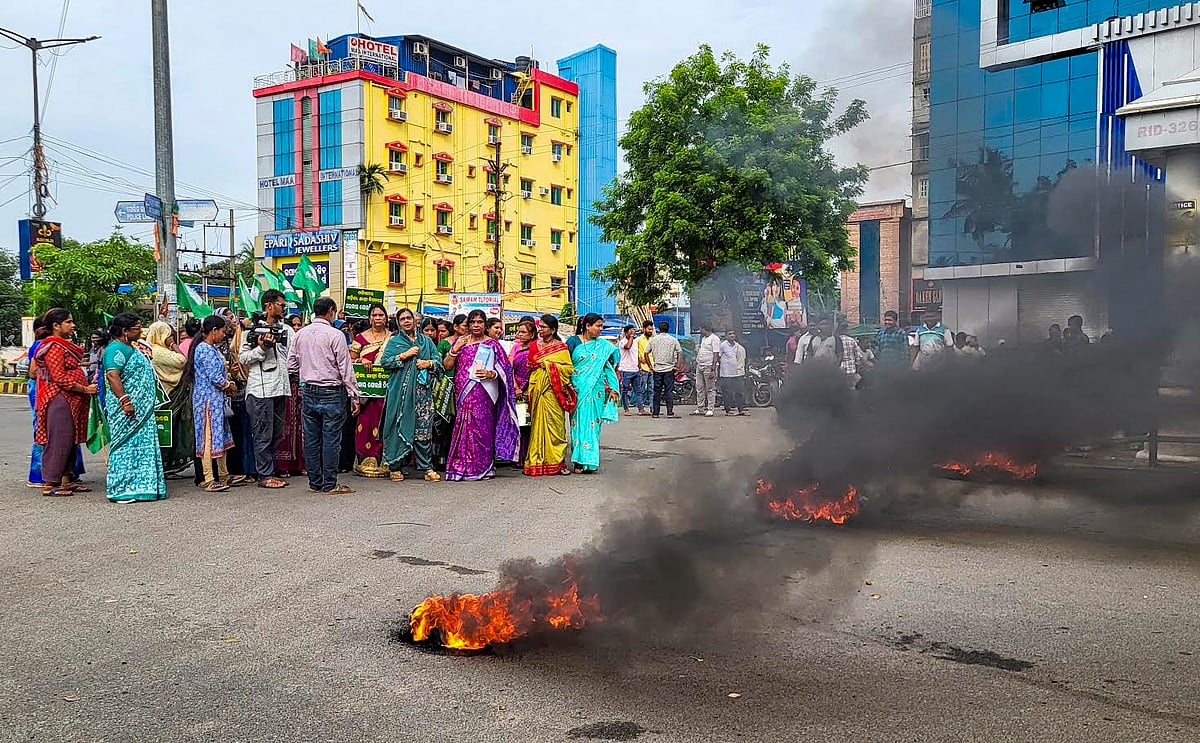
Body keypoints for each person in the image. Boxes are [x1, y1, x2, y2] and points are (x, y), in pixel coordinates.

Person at [287, 297, 363, 494]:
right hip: (332, 391)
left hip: (309, 390)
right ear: (331, 311)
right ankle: (329, 483)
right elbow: (345, 369)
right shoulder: (335, 335)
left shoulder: (300, 334)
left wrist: (307, 372)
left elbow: (291, 365)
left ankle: (315, 482)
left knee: (311, 439)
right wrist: (354, 395)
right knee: (331, 439)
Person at [442, 308, 519, 480]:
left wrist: (492, 374)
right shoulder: (461, 342)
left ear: (485, 325)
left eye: (480, 322)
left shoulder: (493, 344)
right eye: (473, 322)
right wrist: (454, 351)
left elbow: (505, 370)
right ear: (468, 324)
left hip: (484, 393)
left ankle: (482, 467)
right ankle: (459, 467)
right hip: (463, 392)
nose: (476, 325)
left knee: (482, 429)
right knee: (463, 427)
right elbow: (447, 365)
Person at [103, 313, 167, 504]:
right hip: (127, 409)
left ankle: (143, 487)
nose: (141, 330)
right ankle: (121, 488)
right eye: (137, 328)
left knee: (141, 448)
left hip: (142, 411)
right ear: (124, 331)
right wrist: (125, 400)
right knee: (125, 447)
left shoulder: (131, 348)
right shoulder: (116, 350)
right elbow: (113, 375)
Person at [33, 309, 97, 497]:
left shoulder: (65, 346)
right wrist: (85, 389)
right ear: (56, 326)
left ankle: (67, 479)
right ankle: (50, 483)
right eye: (68, 322)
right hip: (59, 398)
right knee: (59, 439)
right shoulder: (53, 347)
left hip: (72, 399)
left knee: (70, 439)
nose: (73, 325)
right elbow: (59, 377)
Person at [380, 308, 443, 481]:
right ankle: (395, 465)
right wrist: (404, 355)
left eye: (409, 318)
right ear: (398, 323)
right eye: (402, 319)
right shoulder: (394, 342)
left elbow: (439, 363)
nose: (406, 321)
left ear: (415, 321)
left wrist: (429, 363)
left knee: (423, 430)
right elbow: (385, 362)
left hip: (422, 393)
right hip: (400, 393)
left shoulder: (426, 342)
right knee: (397, 425)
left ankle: (427, 467)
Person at [239, 289, 292, 489]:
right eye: (281, 304)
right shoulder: (251, 331)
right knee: (262, 433)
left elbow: (292, 354)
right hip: (260, 390)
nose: (284, 308)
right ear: (269, 306)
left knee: (277, 434)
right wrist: (261, 348)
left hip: (281, 387)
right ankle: (265, 475)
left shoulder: (286, 330)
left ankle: (270, 470)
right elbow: (243, 358)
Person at [189, 316, 237, 492]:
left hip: (216, 399)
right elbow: (215, 378)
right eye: (223, 331)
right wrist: (229, 384)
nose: (224, 335)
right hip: (207, 400)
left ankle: (224, 474)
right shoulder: (204, 350)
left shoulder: (212, 349)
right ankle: (209, 477)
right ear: (214, 331)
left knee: (220, 436)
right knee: (208, 438)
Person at [524, 314, 574, 476]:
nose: (540, 330)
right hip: (537, 389)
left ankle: (557, 462)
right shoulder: (533, 346)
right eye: (539, 327)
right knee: (537, 427)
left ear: (552, 330)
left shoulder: (561, 347)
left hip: (554, 392)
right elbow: (529, 365)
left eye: (543, 327)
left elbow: (568, 369)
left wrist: (547, 364)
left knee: (556, 427)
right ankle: (536, 462)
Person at [145, 321, 196, 478]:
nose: (170, 337)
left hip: (163, 397)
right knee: (167, 433)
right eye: (168, 334)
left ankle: (166, 465)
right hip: (168, 396)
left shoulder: (148, 349)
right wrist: (173, 344)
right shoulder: (158, 351)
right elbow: (182, 361)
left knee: (168, 432)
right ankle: (165, 465)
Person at [570, 313, 619, 474]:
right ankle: (578, 461)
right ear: (587, 326)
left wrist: (614, 389)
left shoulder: (603, 346)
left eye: (601, 326)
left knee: (593, 425)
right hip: (578, 389)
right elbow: (565, 365)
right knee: (578, 424)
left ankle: (590, 461)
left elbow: (608, 368)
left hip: (596, 390)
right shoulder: (573, 342)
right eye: (598, 326)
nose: (600, 329)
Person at [347, 303, 393, 478]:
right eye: (374, 315)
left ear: (386, 318)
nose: (378, 318)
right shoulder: (360, 338)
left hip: (387, 390)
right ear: (369, 318)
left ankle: (385, 461)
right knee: (365, 424)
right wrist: (361, 359)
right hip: (366, 392)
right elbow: (349, 362)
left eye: (381, 315)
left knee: (385, 424)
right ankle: (364, 461)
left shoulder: (393, 338)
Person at [510, 318, 536, 464]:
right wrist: (516, 387)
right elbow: (510, 369)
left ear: (532, 334)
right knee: (519, 424)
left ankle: (528, 457)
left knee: (529, 426)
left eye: (523, 332)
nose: (519, 335)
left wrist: (528, 389)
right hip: (517, 390)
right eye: (518, 332)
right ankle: (517, 457)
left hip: (531, 390)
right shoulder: (516, 349)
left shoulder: (536, 349)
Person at [648, 321, 682, 419]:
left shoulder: (653, 340)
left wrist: (650, 365)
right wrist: (678, 366)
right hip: (669, 369)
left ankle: (655, 413)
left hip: (657, 369)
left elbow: (646, 353)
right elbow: (680, 353)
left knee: (656, 391)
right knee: (669, 391)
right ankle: (670, 412)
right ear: (668, 329)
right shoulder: (673, 340)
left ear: (658, 329)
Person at [692, 324, 721, 417]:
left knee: (710, 388)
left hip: (709, 366)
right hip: (700, 365)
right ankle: (700, 407)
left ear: (705, 329)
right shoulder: (703, 338)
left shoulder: (714, 338)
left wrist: (713, 369)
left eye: (700, 329)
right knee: (699, 387)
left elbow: (716, 354)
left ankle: (710, 408)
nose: (700, 331)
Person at [719, 330, 748, 415]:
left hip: (737, 372)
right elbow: (718, 357)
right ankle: (729, 410)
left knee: (739, 391)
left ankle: (741, 409)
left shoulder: (737, 346)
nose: (732, 335)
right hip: (726, 373)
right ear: (726, 336)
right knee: (727, 393)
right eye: (730, 334)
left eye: (733, 334)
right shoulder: (723, 345)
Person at [616, 325, 641, 414]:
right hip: (626, 369)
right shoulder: (623, 342)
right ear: (626, 333)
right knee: (625, 390)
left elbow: (636, 354)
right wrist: (630, 336)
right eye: (630, 331)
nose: (632, 333)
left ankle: (640, 409)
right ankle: (626, 409)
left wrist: (639, 366)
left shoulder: (635, 342)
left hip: (635, 369)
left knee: (638, 390)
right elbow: (627, 347)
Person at [636, 320, 655, 415]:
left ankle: (652, 408)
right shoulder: (638, 340)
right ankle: (641, 408)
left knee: (652, 389)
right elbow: (634, 353)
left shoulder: (653, 340)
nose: (650, 331)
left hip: (652, 368)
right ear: (644, 329)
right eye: (649, 329)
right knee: (642, 389)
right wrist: (639, 361)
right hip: (643, 368)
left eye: (651, 329)